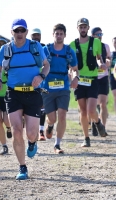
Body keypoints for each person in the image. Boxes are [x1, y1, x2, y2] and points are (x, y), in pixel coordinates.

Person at [0, 18, 50, 180]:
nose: (19, 33)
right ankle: (22, 167)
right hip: (13, 94)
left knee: (32, 134)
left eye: (22, 30)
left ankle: (33, 143)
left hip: (33, 93)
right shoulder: (5, 50)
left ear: (26, 32)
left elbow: (46, 65)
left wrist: (41, 76)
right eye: (16, 31)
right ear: (12, 33)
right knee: (17, 130)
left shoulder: (35, 47)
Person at [70, 18, 107, 147]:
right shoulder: (72, 45)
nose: (83, 29)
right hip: (80, 80)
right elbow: (71, 65)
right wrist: (73, 76)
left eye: (85, 27)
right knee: (83, 111)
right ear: (78, 28)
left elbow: (98, 58)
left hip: (92, 80)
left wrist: (101, 64)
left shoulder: (96, 42)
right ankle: (86, 138)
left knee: (91, 109)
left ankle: (97, 122)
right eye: (81, 27)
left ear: (88, 28)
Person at [42, 23, 78, 154]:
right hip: (48, 87)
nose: (59, 36)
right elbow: (40, 65)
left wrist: (75, 78)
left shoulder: (69, 51)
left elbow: (75, 69)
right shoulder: (46, 49)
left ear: (65, 35)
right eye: (56, 33)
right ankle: (50, 125)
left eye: (61, 34)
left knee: (62, 115)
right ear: (53, 35)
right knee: (52, 118)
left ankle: (57, 145)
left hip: (63, 87)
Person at [90, 27, 111, 135]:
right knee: (94, 105)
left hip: (103, 77)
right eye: (98, 34)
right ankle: (95, 122)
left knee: (103, 104)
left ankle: (102, 127)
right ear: (92, 35)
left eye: (101, 34)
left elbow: (109, 58)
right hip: (92, 77)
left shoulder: (105, 46)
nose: (100, 36)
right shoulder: (89, 46)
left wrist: (107, 62)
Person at [30, 28, 47, 141]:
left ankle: (41, 131)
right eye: (34, 35)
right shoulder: (27, 47)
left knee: (42, 107)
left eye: (38, 35)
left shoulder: (44, 48)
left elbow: (47, 64)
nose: (36, 37)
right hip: (29, 82)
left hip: (43, 82)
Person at [0, 37, 11, 155]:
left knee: (6, 120)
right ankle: (4, 146)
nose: (0, 46)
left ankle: (9, 128)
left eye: (2, 45)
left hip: (7, 94)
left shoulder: (9, 60)